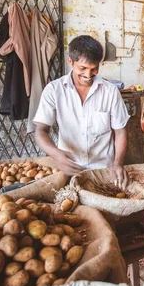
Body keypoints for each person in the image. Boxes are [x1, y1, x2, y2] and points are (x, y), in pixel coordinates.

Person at [33, 35, 130, 189]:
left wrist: (118, 163)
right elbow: (40, 131)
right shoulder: (54, 90)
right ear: (70, 62)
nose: (88, 75)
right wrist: (57, 155)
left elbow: (120, 132)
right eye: (83, 68)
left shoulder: (110, 92)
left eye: (94, 69)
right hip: (70, 170)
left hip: (104, 171)